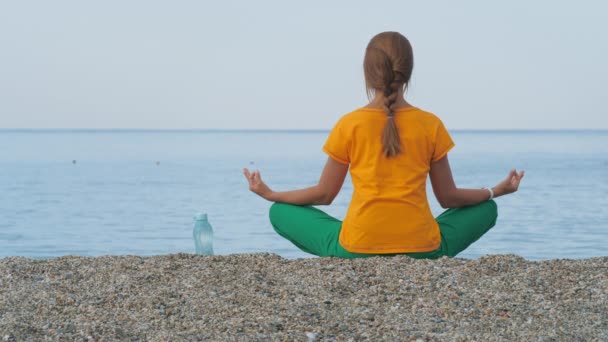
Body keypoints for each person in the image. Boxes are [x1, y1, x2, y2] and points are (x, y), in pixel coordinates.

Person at [243, 31, 524, 259]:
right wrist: (496, 191)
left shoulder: (349, 123)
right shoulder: (430, 124)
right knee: (488, 209)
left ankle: (354, 240)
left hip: (356, 249)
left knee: (279, 211)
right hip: (424, 249)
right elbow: (448, 198)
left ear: (368, 74)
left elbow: (324, 194)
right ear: (408, 73)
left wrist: (271, 194)